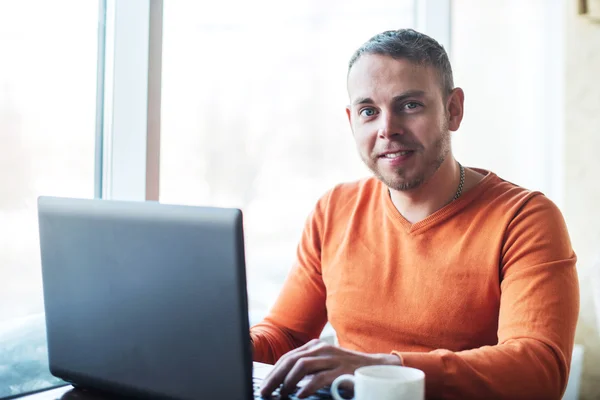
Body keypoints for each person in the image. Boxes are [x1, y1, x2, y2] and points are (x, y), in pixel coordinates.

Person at [250, 29, 579, 400]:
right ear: (352, 120)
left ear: (453, 110)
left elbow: (539, 370)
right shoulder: (334, 210)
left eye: (409, 105)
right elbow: (285, 336)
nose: (387, 129)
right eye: (369, 111)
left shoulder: (525, 219)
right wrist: (216, 344)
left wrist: (379, 369)